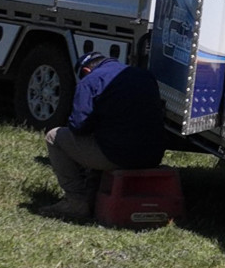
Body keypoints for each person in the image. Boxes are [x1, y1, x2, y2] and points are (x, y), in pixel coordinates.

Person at [41, 50, 166, 220]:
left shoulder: (91, 81)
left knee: (54, 137)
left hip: (118, 156)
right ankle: (94, 195)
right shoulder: (144, 75)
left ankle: (76, 201)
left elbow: (78, 127)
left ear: (85, 71)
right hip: (153, 156)